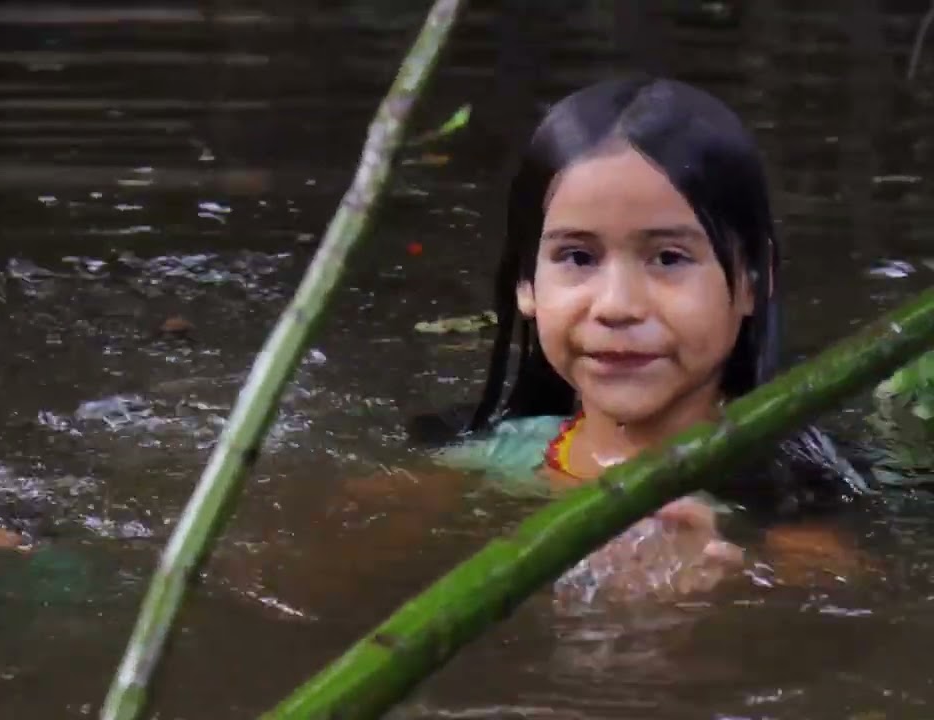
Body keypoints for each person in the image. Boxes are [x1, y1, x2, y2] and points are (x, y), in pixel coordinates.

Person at [225, 76, 880, 615]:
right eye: (576, 256)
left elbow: (840, 587)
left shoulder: (795, 487)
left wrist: (741, 579)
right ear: (526, 285)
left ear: (752, 281)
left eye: (670, 257)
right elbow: (306, 581)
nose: (618, 305)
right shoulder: (498, 453)